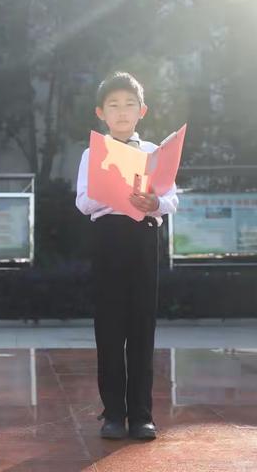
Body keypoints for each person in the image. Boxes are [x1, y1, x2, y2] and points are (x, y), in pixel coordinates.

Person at [76, 72, 178, 440]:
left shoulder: (152, 152)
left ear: (142, 110)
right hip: (108, 239)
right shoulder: (93, 153)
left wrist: (154, 203)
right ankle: (113, 415)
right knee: (109, 329)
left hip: (143, 239)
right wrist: (114, 191)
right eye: (114, 106)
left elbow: (171, 200)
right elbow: (83, 201)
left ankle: (142, 415)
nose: (122, 112)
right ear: (101, 112)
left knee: (140, 329)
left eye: (129, 105)